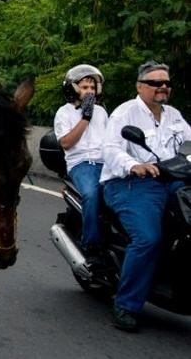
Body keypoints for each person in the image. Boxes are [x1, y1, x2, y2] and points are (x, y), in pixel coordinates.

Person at [101, 61, 191, 331]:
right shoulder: (125, 113)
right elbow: (110, 148)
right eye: (155, 83)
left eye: (166, 83)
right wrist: (134, 165)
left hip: (172, 181)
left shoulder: (174, 116)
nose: (163, 87)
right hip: (132, 183)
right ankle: (126, 304)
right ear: (140, 86)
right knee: (148, 239)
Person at [53, 64, 108, 262]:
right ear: (74, 88)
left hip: (105, 163)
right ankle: (91, 246)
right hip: (81, 165)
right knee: (91, 195)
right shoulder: (64, 113)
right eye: (85, 87)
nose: (90, 91)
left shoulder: (101, 112)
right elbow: (66, 143)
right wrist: (85, 118)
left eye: (92, 88)